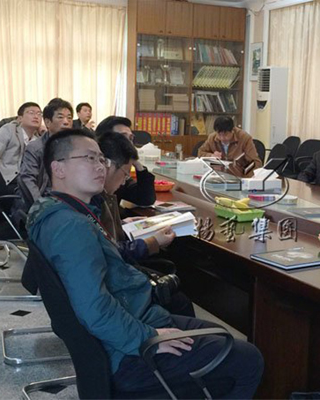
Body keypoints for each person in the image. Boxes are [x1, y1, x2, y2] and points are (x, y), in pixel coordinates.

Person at [27, 129, 263, 397]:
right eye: (89, 158)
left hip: (134, 320)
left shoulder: (64, 211)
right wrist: (147, 337)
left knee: (220, 335)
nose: (100, 166)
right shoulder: (70, 227)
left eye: (101, 159)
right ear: (58, 168)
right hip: (127, 351)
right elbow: (94, 308)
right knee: (248, 359)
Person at [97, 131, 195, 317]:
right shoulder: (95, 198)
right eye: (125, 174)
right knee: (180, 301)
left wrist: (121, 223)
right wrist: (153, 242)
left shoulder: (104, 193)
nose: (125, 181)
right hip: (118, 278)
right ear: (106, 163)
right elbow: (112, 251)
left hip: (119, 269)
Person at [17, 98, 74, 207]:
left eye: (69, 118)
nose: (66, 122)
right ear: (47, 122)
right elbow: (27, 179)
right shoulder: (36, 148)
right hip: (44, 200)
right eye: (60, 117)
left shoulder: (75, 147)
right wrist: (41, 206)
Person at [96, 116, 156, 207]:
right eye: (123, 137)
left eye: (131, 139)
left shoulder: (121, 172)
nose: (129, 144)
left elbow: (146, 199)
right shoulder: (92, 174)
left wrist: (137, 164)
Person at [198, 117, 262, 174]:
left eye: (225, 135)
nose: (222, 138)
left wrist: (244, 175)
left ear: (232, 130)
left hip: (239, 176)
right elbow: (200, 152)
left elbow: (256, 163)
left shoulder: (244, 138)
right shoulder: (212, 138)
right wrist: (211, 156)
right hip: (218, 175)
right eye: (219, 135)